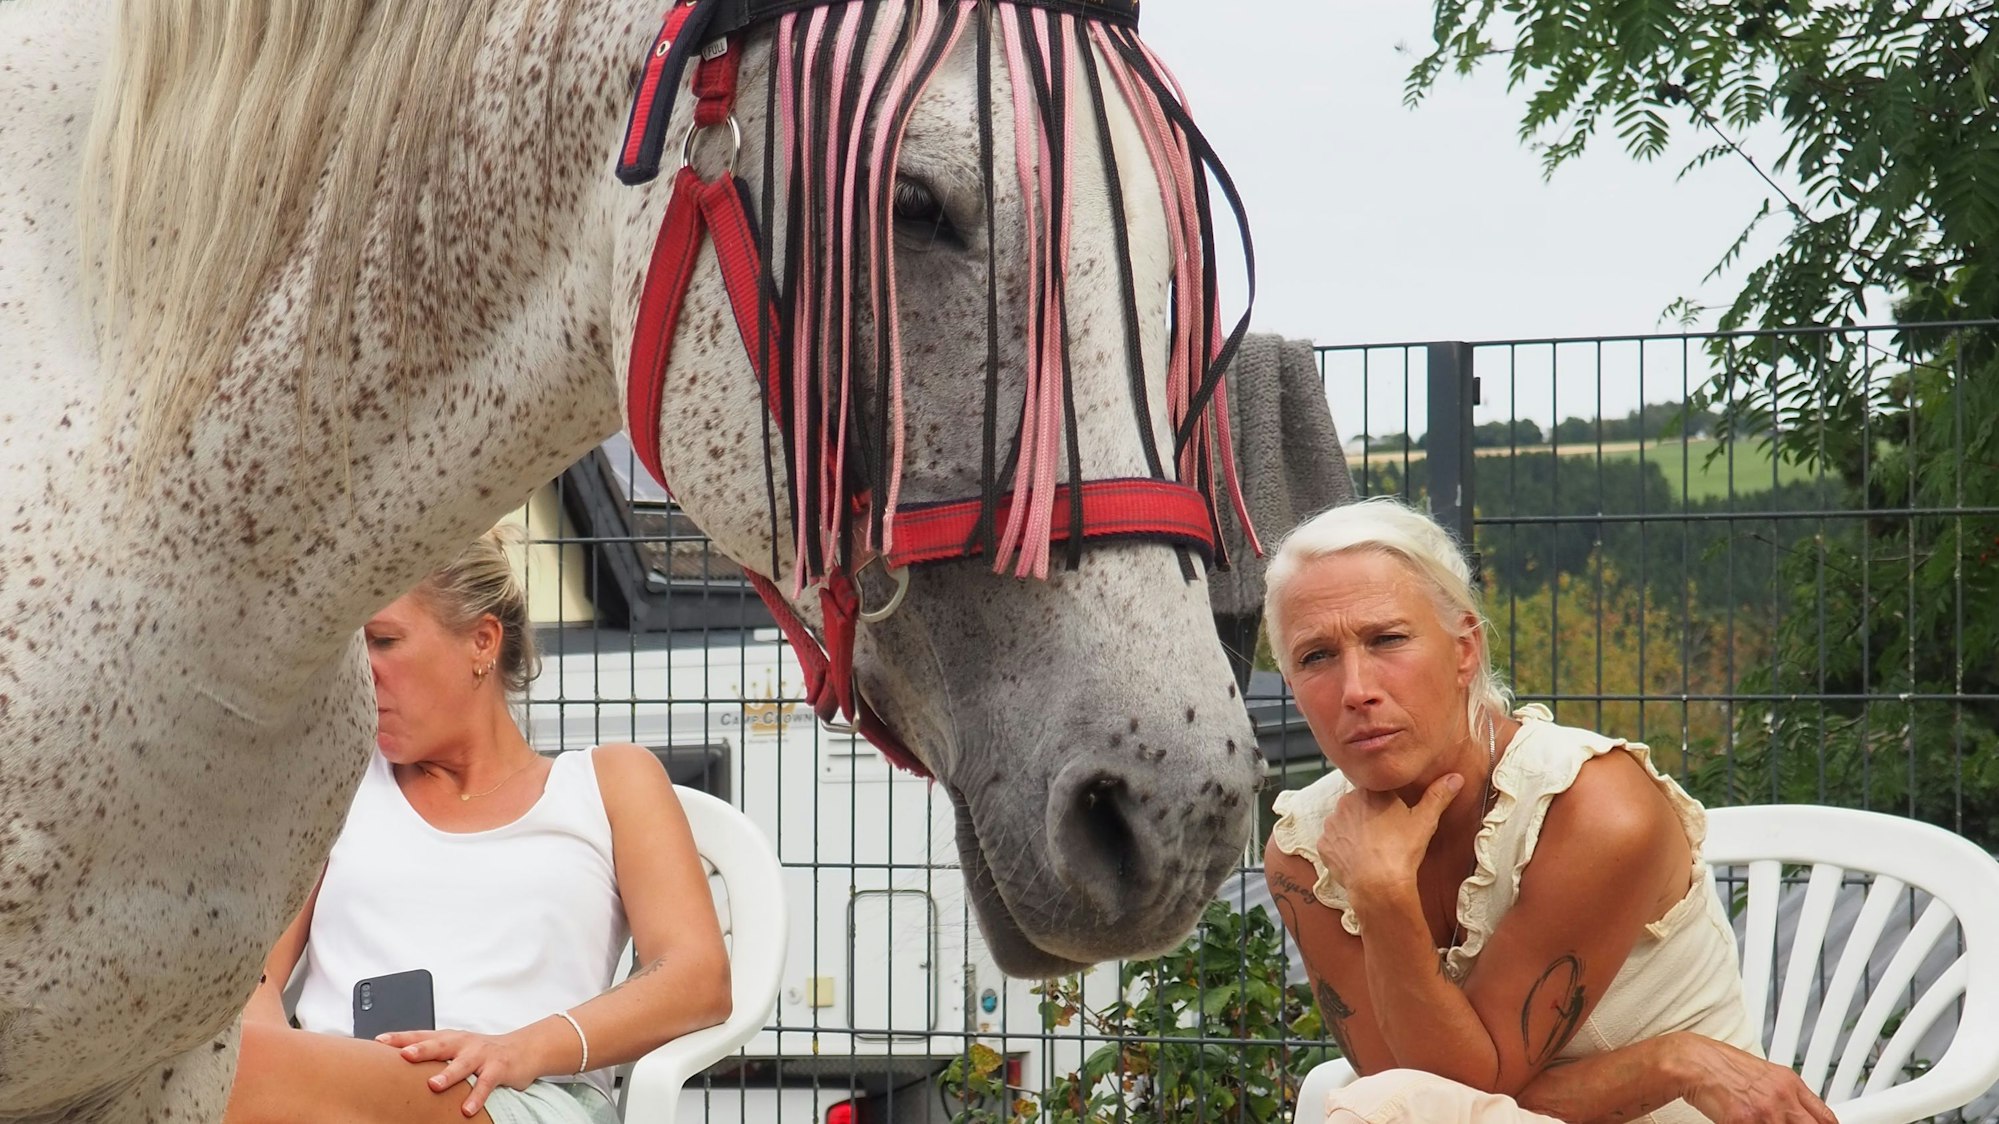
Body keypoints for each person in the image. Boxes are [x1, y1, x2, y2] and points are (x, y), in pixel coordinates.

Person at [1260, 497, 1836, 1124]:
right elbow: (1418, 1093)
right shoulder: (1307, 850)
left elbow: (1449, 1095)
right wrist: (1670, 1063)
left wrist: (1383, 895)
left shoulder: (1594, 809)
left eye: (1388, 639)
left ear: (1464, 650)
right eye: (1316, 656)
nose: (1356, 690)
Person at [226, 527, 731, 1124]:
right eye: (349, 651)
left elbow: (698, 978)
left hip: (518, 1095)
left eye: (384, 641)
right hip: (331, 1087)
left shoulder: (607, 784)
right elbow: (249, 977)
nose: (360, 676)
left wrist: (522, 1047)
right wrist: (268, 1063)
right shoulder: (338, 785)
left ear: (481, 642)